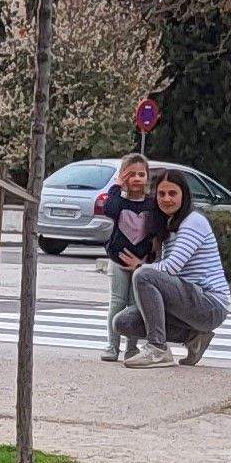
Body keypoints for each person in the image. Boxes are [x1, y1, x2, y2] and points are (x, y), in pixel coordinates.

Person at [117, 169, 230, 368]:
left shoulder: (193, 221)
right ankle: (194, 337)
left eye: (172, 193)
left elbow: (171, 268)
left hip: (210, 304)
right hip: (187, 302)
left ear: (184, 196)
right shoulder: (168, 225)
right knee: (123, 322)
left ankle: (158, 349)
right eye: (161, 194)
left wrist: (141, 267)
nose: (166, 199)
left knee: (144, 275)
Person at [91, 155, 158, 363]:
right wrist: (117, 186)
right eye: (131, 174)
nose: (137, 178)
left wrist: (149, 258)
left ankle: (132, 347)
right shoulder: (119, 201)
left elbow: (156, 231)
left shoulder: (150, 203)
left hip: (141, 260)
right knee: (117, 301)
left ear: (147, 177)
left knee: (134, 303)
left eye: (141, 174)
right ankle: (112, 345)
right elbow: (109, 209)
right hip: (119, 259)